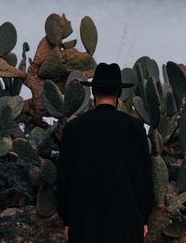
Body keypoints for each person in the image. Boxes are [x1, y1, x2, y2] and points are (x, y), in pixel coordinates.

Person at [57, 63, 154, 243]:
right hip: (127, 221)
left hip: (83, 221)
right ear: (118, 94)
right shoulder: (135, 128)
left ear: (93, 93)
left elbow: (64, 179)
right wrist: (144, 217)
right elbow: (145, 177)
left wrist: (67, 219)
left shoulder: (73, 128)